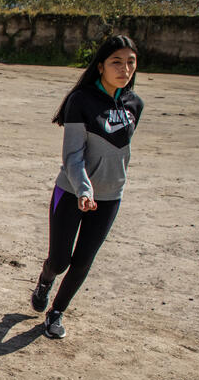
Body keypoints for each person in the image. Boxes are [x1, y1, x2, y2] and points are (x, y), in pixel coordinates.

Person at [29, 34, 143, 339]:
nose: (124, 69)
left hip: (109, 197)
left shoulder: (135, 104)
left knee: (83, 261)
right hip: (71, 193)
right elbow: (72, 156)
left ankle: (56, 313)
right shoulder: (81, 101)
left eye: (130, 62)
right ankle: (45, 278)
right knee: (60, 259)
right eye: (116, 62)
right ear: (101, 66)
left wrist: (104, 189)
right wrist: (84, 190)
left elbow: (120, 153)